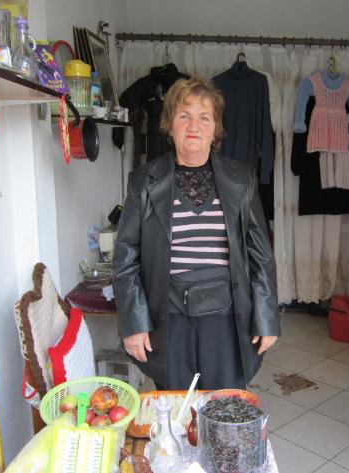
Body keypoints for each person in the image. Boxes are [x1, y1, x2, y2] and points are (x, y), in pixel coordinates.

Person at [112, 76, 279, 390]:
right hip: (169, 318)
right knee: (176, 408)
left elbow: (261, 256)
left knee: (224, 406)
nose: (194, 126)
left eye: (204, 117)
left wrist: (267, 318)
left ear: (216, 128)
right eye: (184, 115)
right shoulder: (143, 182)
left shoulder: (241, 179)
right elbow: (126, 257)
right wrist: (133, 323)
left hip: (227, 319)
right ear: (169, 125)